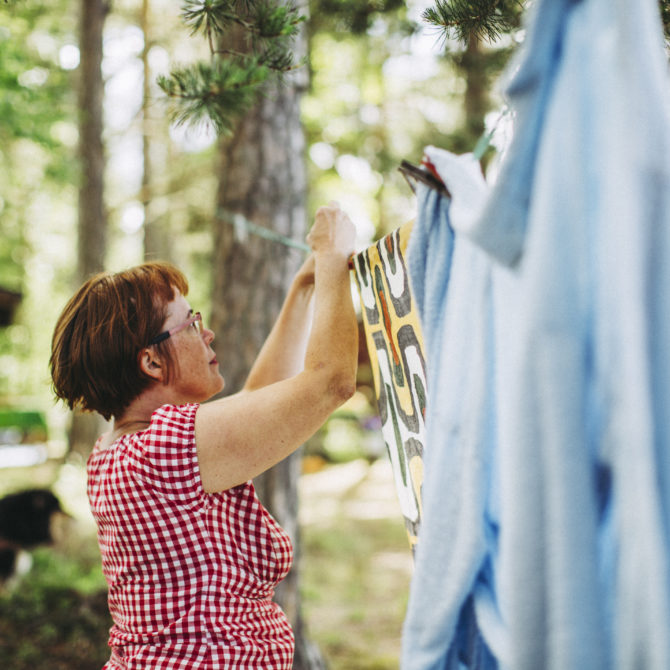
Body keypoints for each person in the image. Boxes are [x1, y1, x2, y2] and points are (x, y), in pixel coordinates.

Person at [50, 203, 358, 669]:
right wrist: (334, 257)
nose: (207, 332)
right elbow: (330, 381)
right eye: (190, 323)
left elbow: (262, 397)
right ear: (151, 362)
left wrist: (303, 287)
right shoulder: (164, 451)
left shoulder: (124, 450)